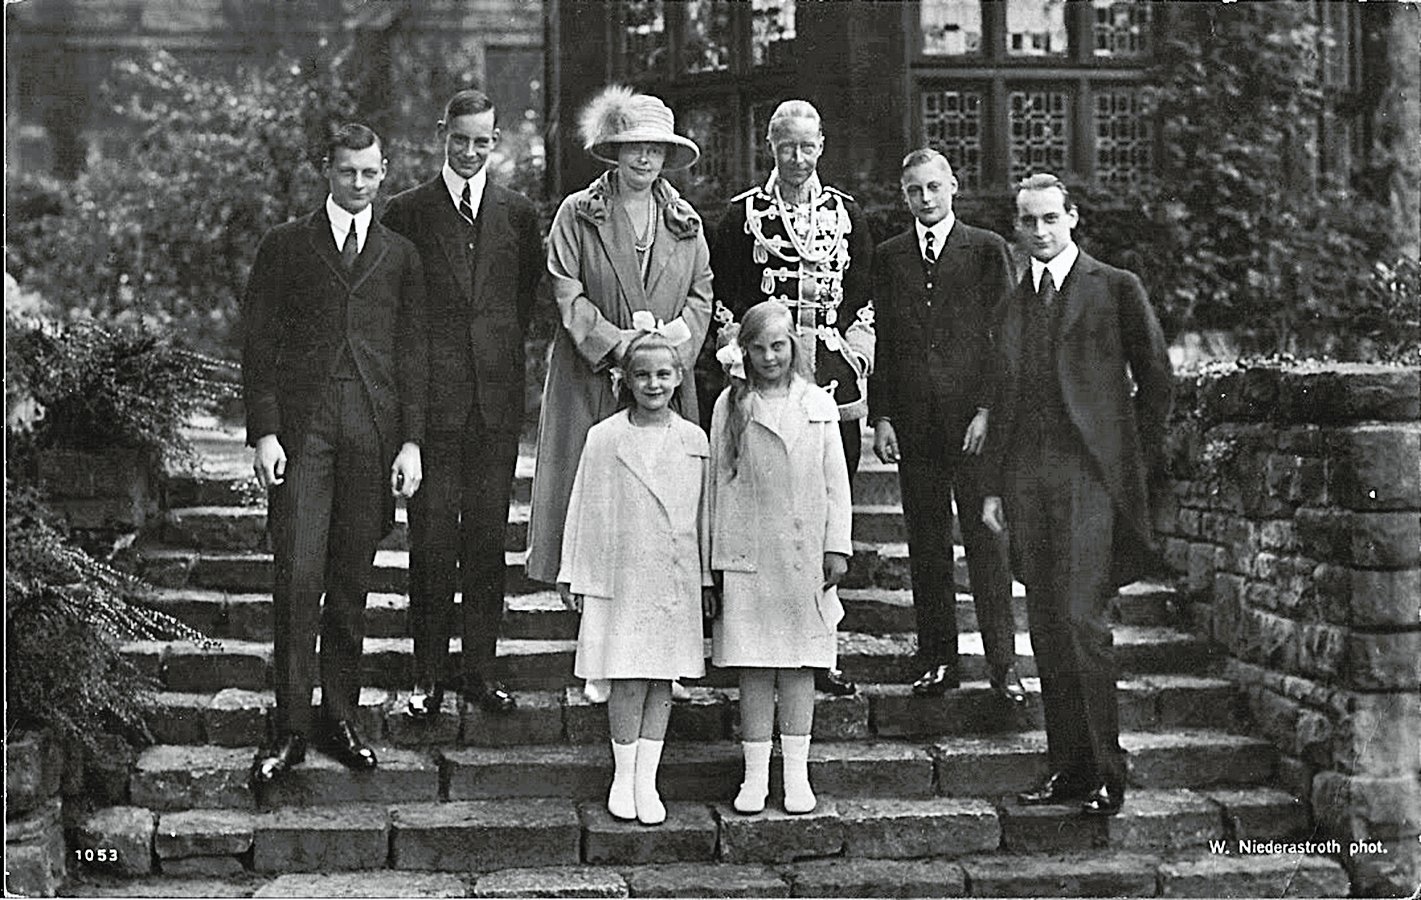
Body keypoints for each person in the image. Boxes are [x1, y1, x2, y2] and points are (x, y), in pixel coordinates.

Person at [243, 123, 427, 789]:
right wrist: (264, 432)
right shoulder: (287, 246)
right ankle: (291, 726)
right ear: (327, 169)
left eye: (371, 173)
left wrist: (409, 441)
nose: (359, 184)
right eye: (348, 171)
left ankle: (340, 717)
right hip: (303, 429)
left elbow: (412, 352)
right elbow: (258, 344)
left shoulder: (399, 254)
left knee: (350, 582)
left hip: (372, 432)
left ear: (384, 173)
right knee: (297, 576)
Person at [982, 173, 1172, 817]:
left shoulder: (1116, 288)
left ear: (1072, 218)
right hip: (1026, 481)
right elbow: (1003, 399)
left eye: (1049, 220)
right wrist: (993, 489)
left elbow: (1157, 380)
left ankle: (1104, 774)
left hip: (1089, 479)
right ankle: (1065, 768)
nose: (1038, 232)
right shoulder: (1012, 303)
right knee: (1045, 624)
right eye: (1027, 221)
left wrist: (1129, 465)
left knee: (1083, 621)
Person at [382, 89, 543, 718]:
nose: (471, 152)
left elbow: (522, 298)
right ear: (442, 134)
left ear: (496, 141)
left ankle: (479, 670)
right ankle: (426, 677)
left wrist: (496, 362)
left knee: (485, 540)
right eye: (460, 139)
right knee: (430, 542)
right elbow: (394, 309)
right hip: (430, 404)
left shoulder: (518, 214)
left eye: (483, 141)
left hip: (494, 405)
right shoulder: (408, 211)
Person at [709, 99, 873, 698]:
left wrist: (857, 342)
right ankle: (757, 647)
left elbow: (863, 294)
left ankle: (819, 651)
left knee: (823, 509)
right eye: (786, 147)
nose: (798, 158)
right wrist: (735, 354)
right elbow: (724, 294)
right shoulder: (740, 216)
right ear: (770, 148)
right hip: (763, 374)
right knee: (765, 512)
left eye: (808, 146)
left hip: (828, 380)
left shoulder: (849, 215)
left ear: (822, 144)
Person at [525, 85, 713, 594]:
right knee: (591, 491)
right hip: (593, 376)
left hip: (660, 380)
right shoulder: (576, 214)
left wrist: (668, 356)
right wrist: (622, 345)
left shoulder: (685, 223)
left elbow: (701, 297)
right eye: (635, 145)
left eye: (657, 148)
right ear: (616, 150)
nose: (646, 156)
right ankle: (583, 603)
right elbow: (568, 293)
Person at [869, 149, 1025, 704]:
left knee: (987, 542)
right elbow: (881, 340)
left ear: (953, 186)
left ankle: (1003, 664)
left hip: (972, 426)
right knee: (927, 545)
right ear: (904, 194)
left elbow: (1005, 340)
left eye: (934, 187)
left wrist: (988, 408)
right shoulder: (889, 257)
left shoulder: (985, 250)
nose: (926, 198)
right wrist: (882, 415)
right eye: (915, 190)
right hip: (916, 425)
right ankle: (938, 659)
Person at [558, 331, 716, 826]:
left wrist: (708, 578)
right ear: (624, 380)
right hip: (621, 572)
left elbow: (705, 516)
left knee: (660, 679)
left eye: (663, 375)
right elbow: (583, 505)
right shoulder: (604, 437)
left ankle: (647, 778)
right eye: (642, 375)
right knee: (626, 675)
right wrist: (573, 573)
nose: (653, 383)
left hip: (673, 575)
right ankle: (622, 776)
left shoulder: (694, 440)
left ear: (678, 379)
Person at [710, 300, 853, 816]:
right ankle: (753, 777)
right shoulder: (731, 406)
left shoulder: (817, 404)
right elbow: (716, 488)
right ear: (743, 350)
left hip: (803, 554)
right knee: (754, 667)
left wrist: (837, 544)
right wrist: (715, 564)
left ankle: (795, 774)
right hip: (747, 553)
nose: (770, 356)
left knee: (799, 666)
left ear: (794, 346)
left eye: (779, 345)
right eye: (758, 347)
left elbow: (837, 484)